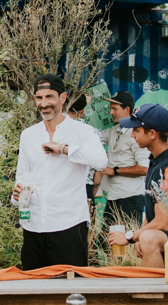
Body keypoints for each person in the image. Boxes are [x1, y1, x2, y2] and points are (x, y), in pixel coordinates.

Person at [11, 74, 108, 269]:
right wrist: (17, 193)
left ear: (63, 98)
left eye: (49, 97)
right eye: (39, 98)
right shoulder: (28, 135)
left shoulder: (82, 132)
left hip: (69, 225)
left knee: (69, 291)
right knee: (35, 293)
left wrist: (64, 149)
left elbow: (101, 161)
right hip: (34, 226)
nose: (43, 103)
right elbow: (22, 175)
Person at [109, 104, 168, 266]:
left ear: (152, 134)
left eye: (136, 130)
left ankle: (154, 291)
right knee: (146, 237)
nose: (132, 135)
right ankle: (154, 287)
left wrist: (130, 236)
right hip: (165, 232)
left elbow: (163, 221)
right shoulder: (157, 159)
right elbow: (152, 212)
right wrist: (139, 236)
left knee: (148, 238)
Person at [93, 91, 150, 227]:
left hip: (131, 198)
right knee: (105, 242)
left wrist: (116, 170)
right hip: (113, 196)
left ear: (127, 110)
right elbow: (93, 137)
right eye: (110, 108)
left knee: (127, 242)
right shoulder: (114, 130)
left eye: (115, 109)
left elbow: (145, 168)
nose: (111, 112)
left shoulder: (137, 133)